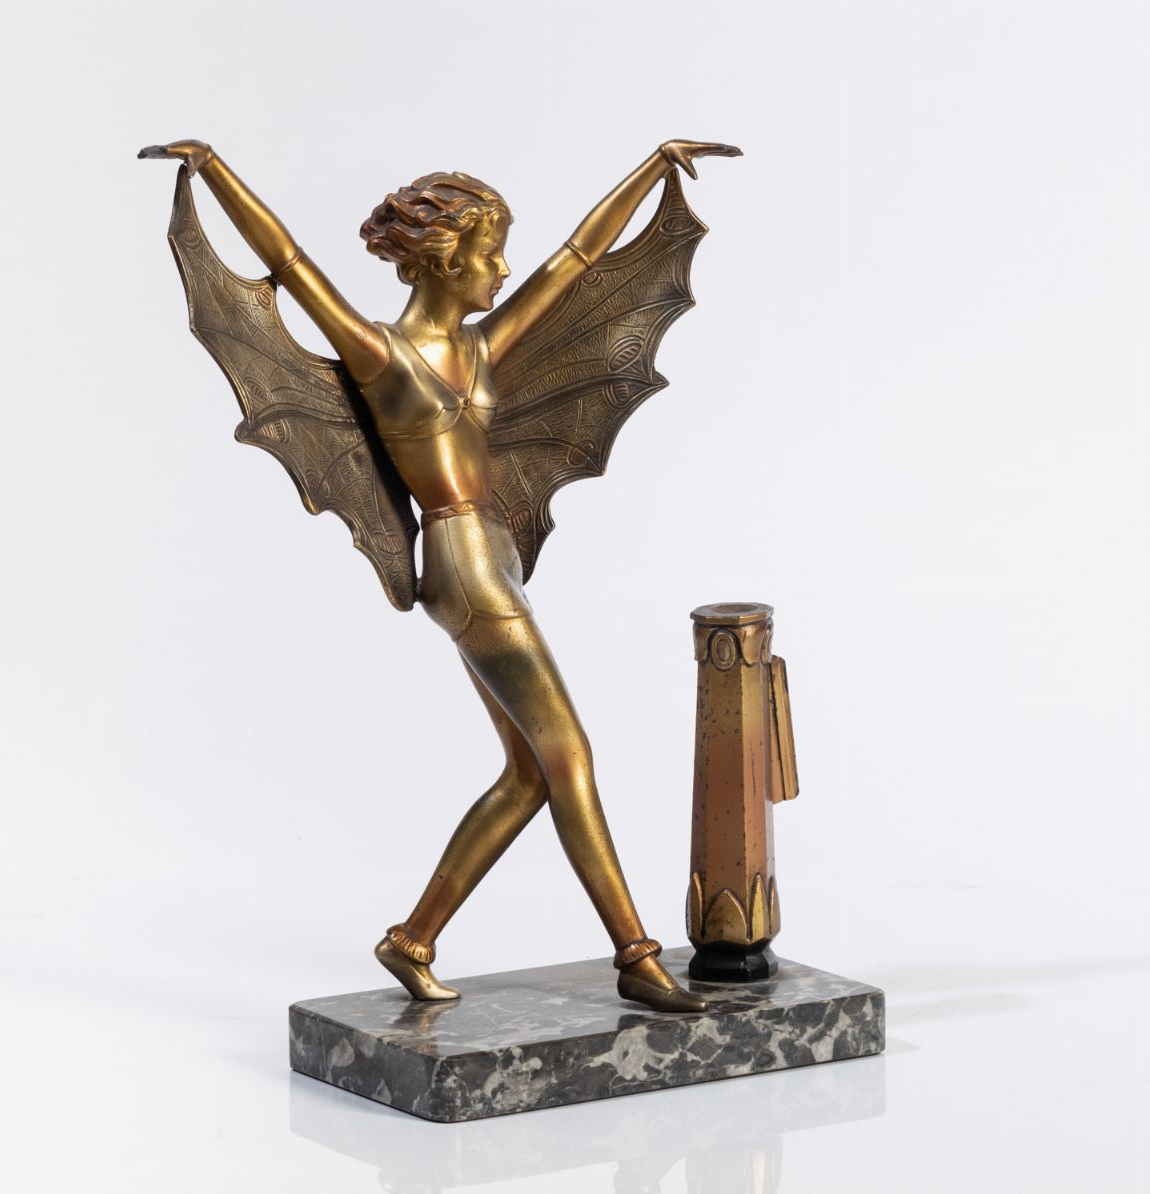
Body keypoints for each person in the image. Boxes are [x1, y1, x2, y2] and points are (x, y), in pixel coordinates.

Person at [140, 137, 740, 1011]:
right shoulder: (380, 357)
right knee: (571, 755)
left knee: (529, 775)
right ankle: (636, 956)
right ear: (445, 260)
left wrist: (653, 170)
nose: (503, 269)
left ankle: (412, 939)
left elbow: (576, 259)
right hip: (461, 564)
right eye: (489, 253)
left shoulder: (484, 347)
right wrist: (213, 169)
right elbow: (288, 262)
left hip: (495, 553)